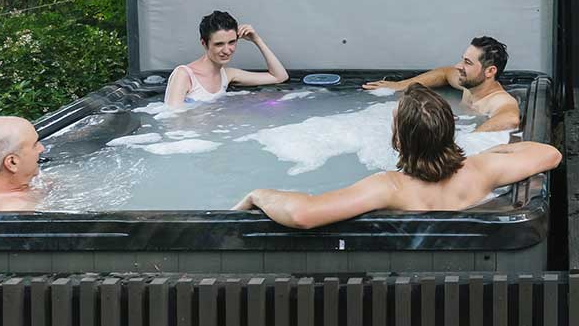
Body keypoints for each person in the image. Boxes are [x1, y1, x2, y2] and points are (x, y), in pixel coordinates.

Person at [233, 84, 560, 229]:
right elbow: (548, 154)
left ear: (399, 140)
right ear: (449, 131)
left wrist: (259, 194)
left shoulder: (388, 187)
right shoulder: (480, 170)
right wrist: (489, 152)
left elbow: (304, 214)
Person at [364, 35, 519, 131]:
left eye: (467, 62)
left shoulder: (498, 100)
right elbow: (444, 73)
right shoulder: (468, 86)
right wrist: (400, 85)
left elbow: (510, 119)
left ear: (490, 71)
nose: (458, 66)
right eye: (462, 59)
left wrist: (468, 140)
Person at [164, 9, 289, 107]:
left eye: (232, 42)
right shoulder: (184, 75)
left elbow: (279, 77)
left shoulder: (227, 75)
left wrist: (257, 40)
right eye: (219, 44)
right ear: (204, 43)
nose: (226, 50)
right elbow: (173, 120)